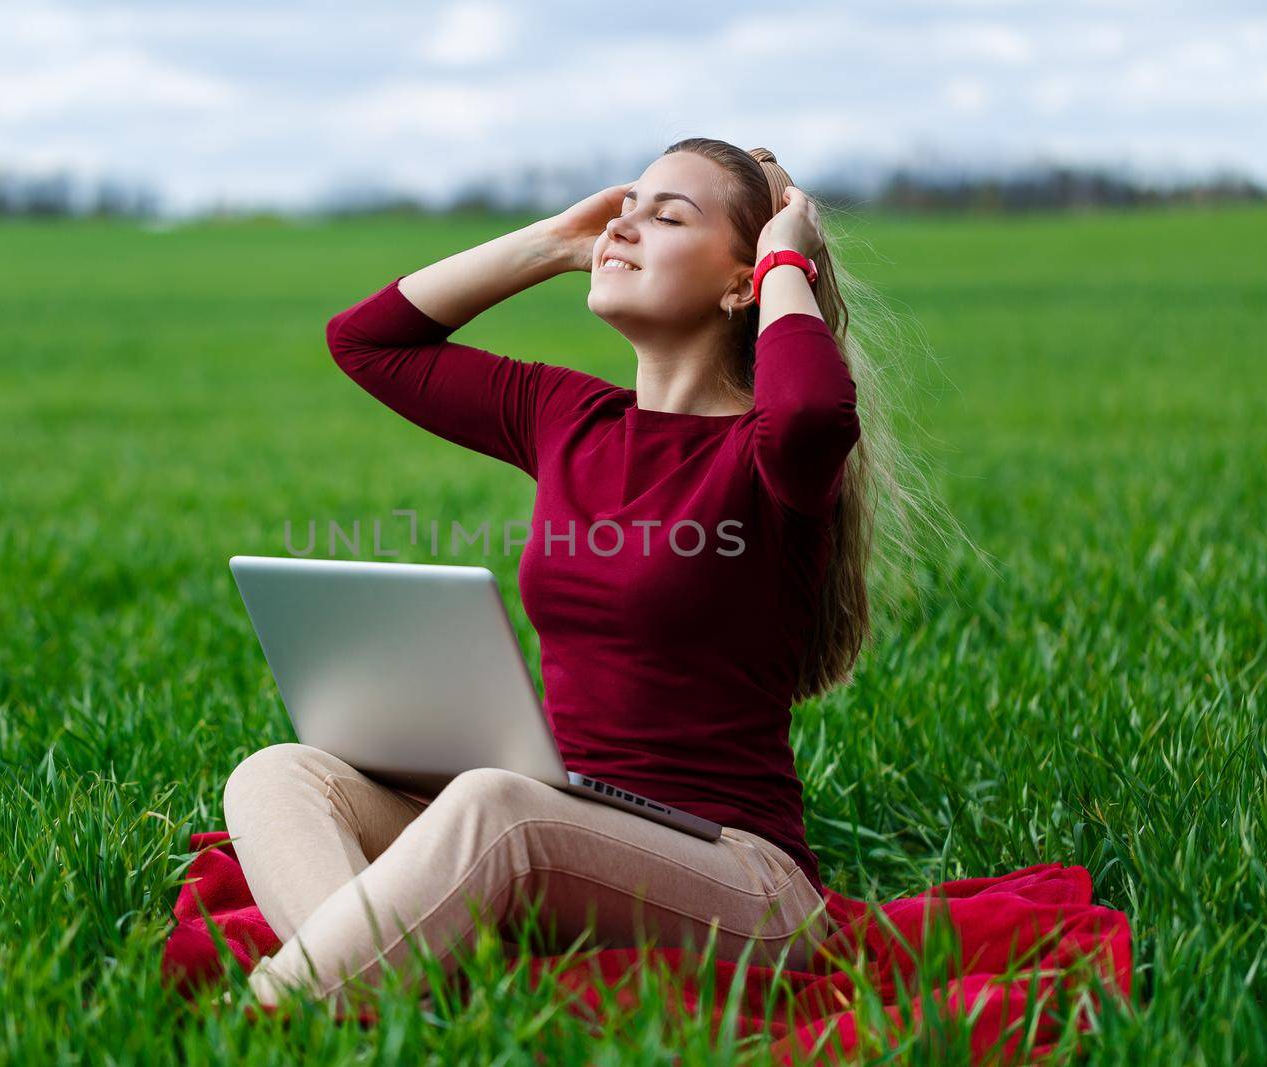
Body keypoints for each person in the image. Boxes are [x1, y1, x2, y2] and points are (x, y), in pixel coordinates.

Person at [224, 137, 910, 1009]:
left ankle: (264, 1017)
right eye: (629, 204)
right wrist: (551, 243)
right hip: (558, 827)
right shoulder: (569, 418)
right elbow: (367, 343)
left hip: (737, 879)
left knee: (497, 809)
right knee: (281, 774)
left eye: (669, 215)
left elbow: (811, 406)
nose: (626, 222)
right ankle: (385, 999)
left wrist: (787, 256)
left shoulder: (772, 457)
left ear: (744, 283)